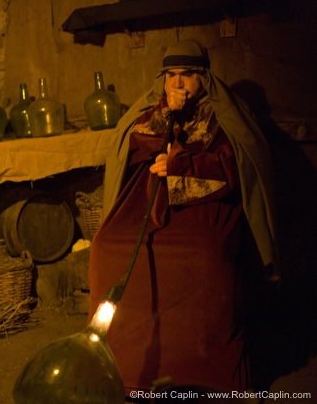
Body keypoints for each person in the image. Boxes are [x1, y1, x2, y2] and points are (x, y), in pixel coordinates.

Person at [88, 39, 279, 395]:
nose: (177, 84)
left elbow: (237, 168)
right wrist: (166, 116)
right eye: (171, 76)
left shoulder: (226, 115)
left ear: (203, 78)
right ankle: (123, 366)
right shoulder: (154, 110)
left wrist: (182, 163)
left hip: (205, 209)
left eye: (187, 75)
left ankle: (203, 376)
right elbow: (131, 144)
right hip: (149, 203)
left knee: (205, 257)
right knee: (105, 246)